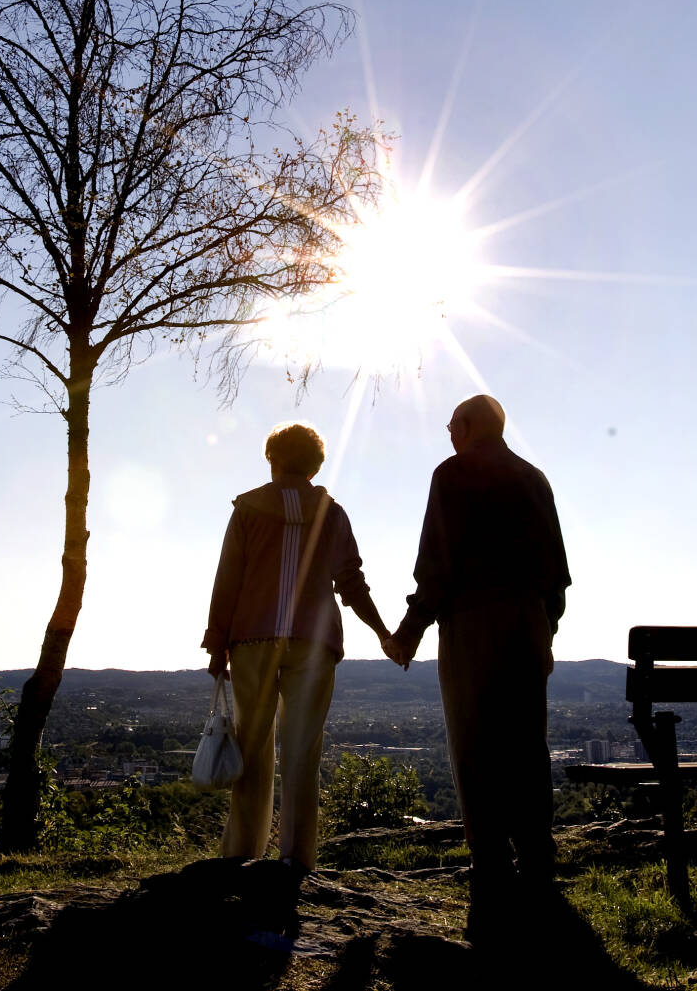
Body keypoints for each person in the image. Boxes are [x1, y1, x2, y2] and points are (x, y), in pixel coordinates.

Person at [383, 394, 570, 941]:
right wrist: (546, 633)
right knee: (526, 741)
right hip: (527, 621)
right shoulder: (534, 477)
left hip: (472, 624)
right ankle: (537, 855)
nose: (448, 434)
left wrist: (409, 632)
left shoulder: (452, 474)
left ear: (467, 427)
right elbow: (556, 574)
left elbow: (436, 570)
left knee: (474, 741)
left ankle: (490, 860)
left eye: (450, 426)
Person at [202, 421, 391, 888]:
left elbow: (229, 577)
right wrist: (384, 632)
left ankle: (242, 855)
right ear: (316, 464)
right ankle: (297, 861)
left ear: (272, 458)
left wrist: (217, 640)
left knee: (251, 747)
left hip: (251, 642)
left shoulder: (247, 509)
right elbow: (350, 581)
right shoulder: (332, 512)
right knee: (302, 752)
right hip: (313, 641)